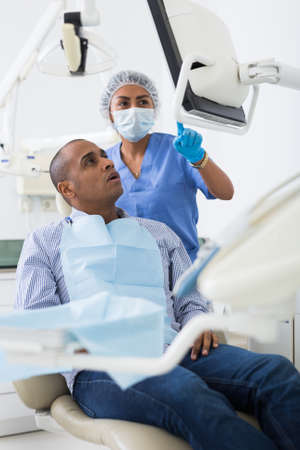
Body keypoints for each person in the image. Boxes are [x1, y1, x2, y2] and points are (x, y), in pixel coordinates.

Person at [15, 139, 300, 450]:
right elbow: (36, 323)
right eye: (90, 162)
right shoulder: (44, 241)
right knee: (186, 391)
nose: (107, 163)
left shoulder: (159, 232)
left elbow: (190, 300)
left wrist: (196, 321)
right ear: (68, 190)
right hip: (102, 368)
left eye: (103, 156)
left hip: (176, 350)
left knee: (276, 372)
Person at [100, 70, 234, 262]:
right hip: (127, 272)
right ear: (110, 114)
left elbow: (225, 192)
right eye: (123, 103)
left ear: (154, 110)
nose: (134, 109)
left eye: (143, 102)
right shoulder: (104, 162)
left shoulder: (179, 150)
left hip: (181, 268)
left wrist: (198, 157)